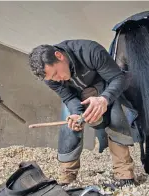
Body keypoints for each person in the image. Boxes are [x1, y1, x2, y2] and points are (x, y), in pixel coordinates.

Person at [28, 40, 137, 187]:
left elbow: (118, 78)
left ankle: (125, 175)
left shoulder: (90, 51)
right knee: (69, 125)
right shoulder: (50, 78)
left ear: (59, 56)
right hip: (78, 97)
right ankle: (67, 177)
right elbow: (68, 97)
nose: (57, 79)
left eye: (56, 73)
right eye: (52, 78)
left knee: (116, 119)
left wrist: (104, 99)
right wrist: (76, 114)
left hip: (103, 89)